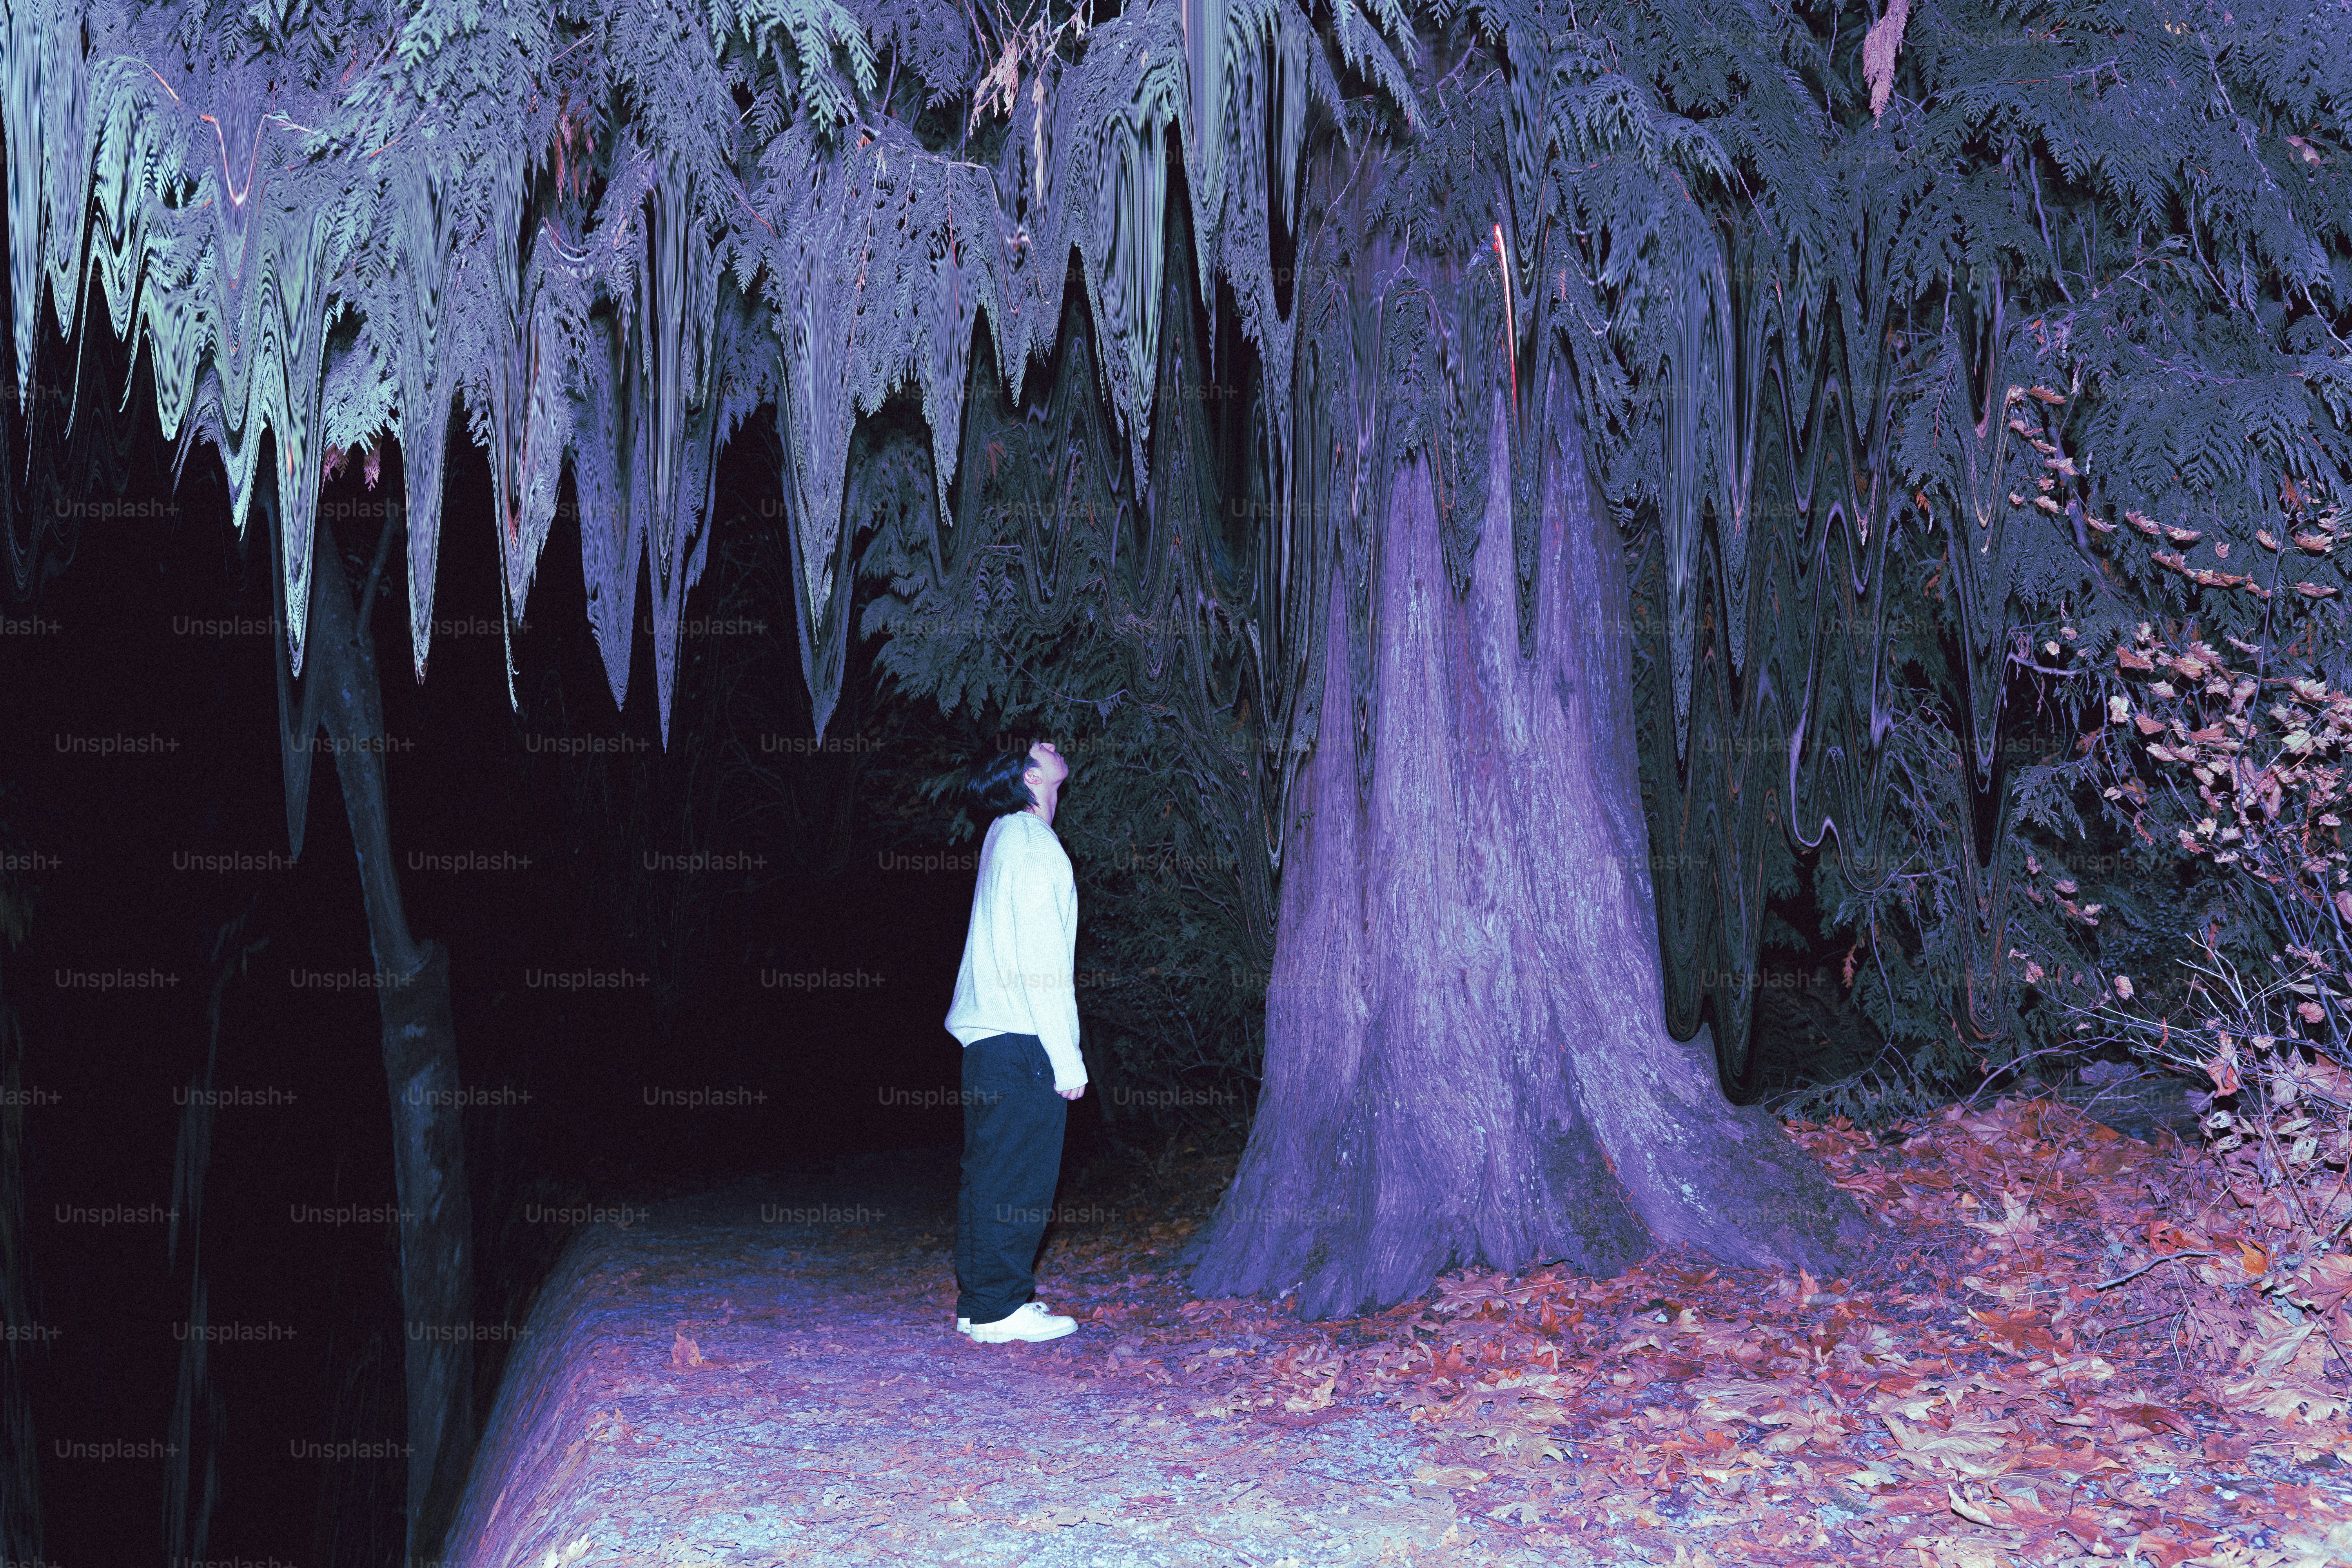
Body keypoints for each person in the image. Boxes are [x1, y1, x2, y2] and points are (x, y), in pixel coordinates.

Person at [943, 738, 1086, 1344]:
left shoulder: (1002, 836)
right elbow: (1042, 961)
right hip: (1023, 1038)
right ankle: (1001, 1310)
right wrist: (1067, 1059)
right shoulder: (1031, 844)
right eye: (1039, 747)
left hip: (989, 1042)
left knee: (989, 1174)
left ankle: (982, 1305)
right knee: (1020, 1178)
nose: (1052, 744)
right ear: (1030, 778)